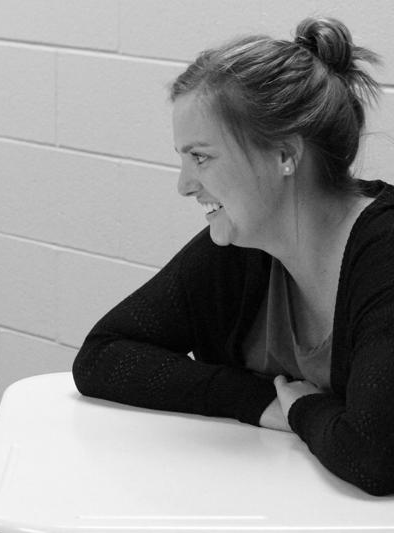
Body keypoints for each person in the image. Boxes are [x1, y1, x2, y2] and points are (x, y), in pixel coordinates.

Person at [72, 17, 394, 496]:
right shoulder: (245, 244)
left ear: (285, 154)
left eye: (200, 157)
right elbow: (102, 357)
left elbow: (373, 455)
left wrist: (302, 409)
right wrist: (263, 400)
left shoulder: (384, 253)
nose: (184, 185)